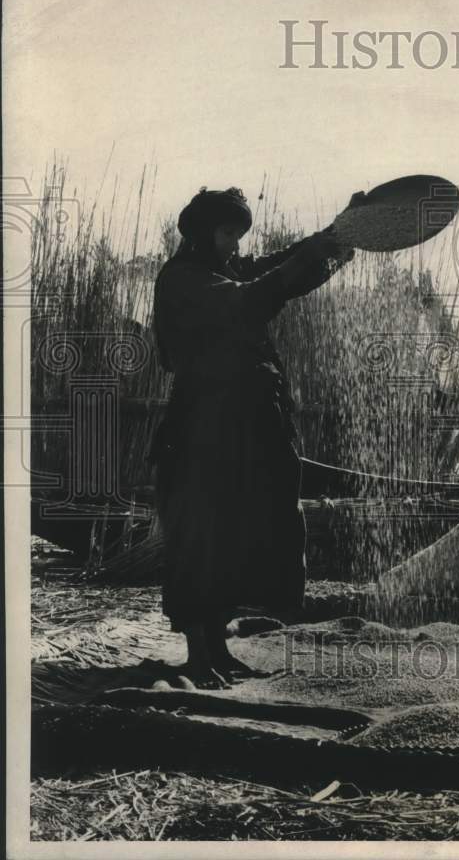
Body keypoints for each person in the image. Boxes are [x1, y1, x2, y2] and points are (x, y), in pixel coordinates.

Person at [150, 186, 356, 688]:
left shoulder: (222, 268)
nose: (236, 246)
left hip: (242, 425)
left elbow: (281, 268)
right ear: (202, 233)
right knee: (201, 536)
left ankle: (218, 649)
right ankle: (198, 653)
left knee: (236, 535)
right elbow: (253, 298)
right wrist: (307, 256)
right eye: (227, 234)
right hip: (202, 428)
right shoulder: (183, 279)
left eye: (239, 236)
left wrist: (336, 235)